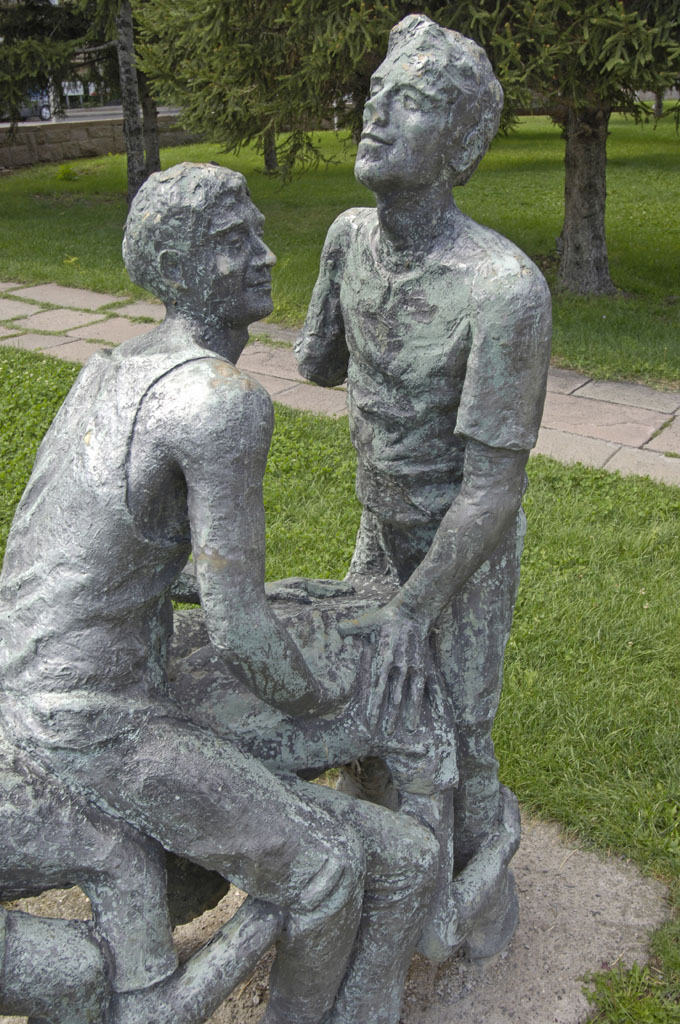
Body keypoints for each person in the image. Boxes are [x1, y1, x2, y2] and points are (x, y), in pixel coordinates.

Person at [0, 162, 438, 1024]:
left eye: (258, 232)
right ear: (181, 268)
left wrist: (261, 597)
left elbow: (110, 558)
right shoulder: (219, 400)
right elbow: (242, 633)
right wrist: (333, 698)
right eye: (235, 243)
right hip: (96, 723)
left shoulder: (110, 367)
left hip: (26, 683)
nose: (266, 256)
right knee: (324, 871)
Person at [295, 14, 552, 960]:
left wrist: (415, 608)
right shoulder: (345, 238)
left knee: (465, 724)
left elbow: (492, 491)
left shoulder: (503, 290)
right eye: (375, 95)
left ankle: (478, 903)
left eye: (410, 102)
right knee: (371, 697)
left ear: (462, 144)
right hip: (380, 523)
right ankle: (381, 865)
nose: (376, 115)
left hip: (462, 549)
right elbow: (320, 362)